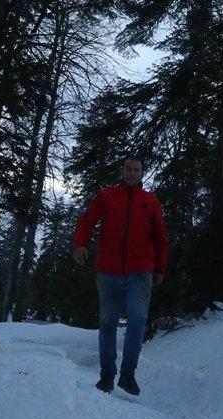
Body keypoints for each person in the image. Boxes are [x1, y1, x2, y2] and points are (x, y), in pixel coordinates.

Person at [72, 156, 169, 396]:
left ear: (142, 173)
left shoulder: (151, 202)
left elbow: (160, 238)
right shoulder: (107, 196)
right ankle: (106, 376)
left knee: (137, 319)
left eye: (137, 169)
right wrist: (80, 245)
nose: (132, 173)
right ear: (122, 171)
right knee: (107, 323)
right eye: (128, 168)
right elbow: (86, 221)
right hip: (108, 271)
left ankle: (128, 375)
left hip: (140, 272)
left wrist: (160, 268)